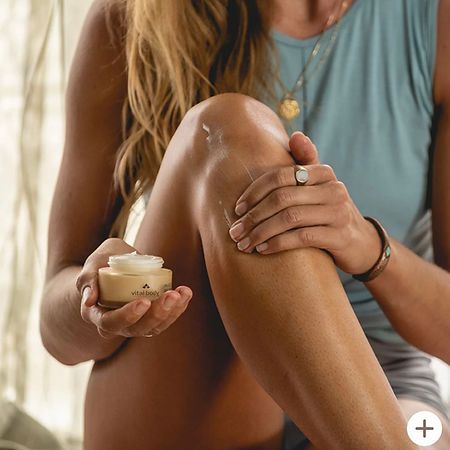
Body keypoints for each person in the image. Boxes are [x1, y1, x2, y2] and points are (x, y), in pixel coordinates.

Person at [39, 0, 450, 448]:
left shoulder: (434, 22)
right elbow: (55, 332)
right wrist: (97, 298)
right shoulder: (131, 18)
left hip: (384, 387)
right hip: (195, 373)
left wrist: (367, 245)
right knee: (225, 130)